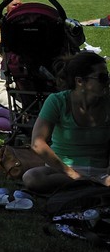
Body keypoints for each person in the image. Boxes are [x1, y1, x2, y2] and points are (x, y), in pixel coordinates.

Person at [23, 50, 110, 192]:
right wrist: (72, 174)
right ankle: (90, 185)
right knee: (32, 177)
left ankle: (89, 184)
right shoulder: (58, 101)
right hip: (64, 172)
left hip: (101, 172)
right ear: (80, 81)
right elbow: (37, 143)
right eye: (102, 77)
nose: (107, 82)